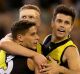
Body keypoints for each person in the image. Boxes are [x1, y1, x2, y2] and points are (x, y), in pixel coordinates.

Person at [0, 4, 47, 70]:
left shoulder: (42, 48)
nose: (27, 20)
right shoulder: (12, 37)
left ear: (39, 22)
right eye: (23, 17)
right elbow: (3, 44)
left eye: (31, 17)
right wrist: (35, 55)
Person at [39, 4, 80, 74]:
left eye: (66, 23)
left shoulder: (70, 50)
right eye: (59, 21)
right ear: (52, 23)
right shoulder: (47, 38)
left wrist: (60, 69)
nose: (62, 25)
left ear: (71, 27)